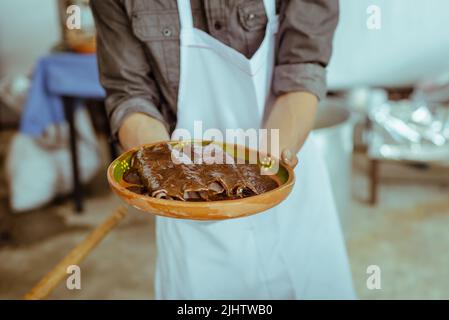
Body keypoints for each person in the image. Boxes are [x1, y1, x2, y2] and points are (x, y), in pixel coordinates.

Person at [91, 0, 355, 299]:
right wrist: (168, 174)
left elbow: (303, 67)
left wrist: (259, 174)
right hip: (189, 209)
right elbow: (128, 93)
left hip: (287, 184)